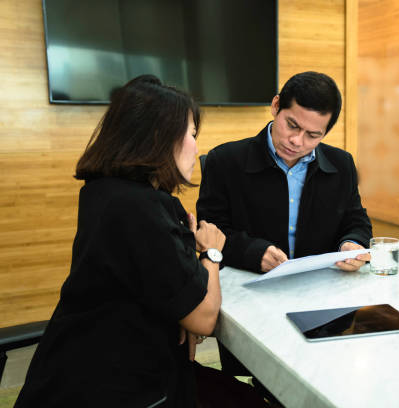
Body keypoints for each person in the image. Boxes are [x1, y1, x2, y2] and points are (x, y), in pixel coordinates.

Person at [15, 75, 267, 408]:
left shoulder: (105, 191)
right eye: (192, 135)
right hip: (116, 384)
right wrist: (212, 252)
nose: (196, 148)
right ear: (159, 137)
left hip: (76, 368)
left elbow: (165, 286)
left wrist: (182, 309)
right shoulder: (140, 209)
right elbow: (204, 318)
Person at [196, 71, 372, 274]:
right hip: (247, 281)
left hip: (320, 283)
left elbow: (357, 222)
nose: (297, 141)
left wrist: (352, 244)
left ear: (325, 132)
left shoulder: (342, 164)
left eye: (313, 135)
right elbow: (208, 232)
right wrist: (252, 252)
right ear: (276, 105)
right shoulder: (224, 161)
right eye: (292, 125)